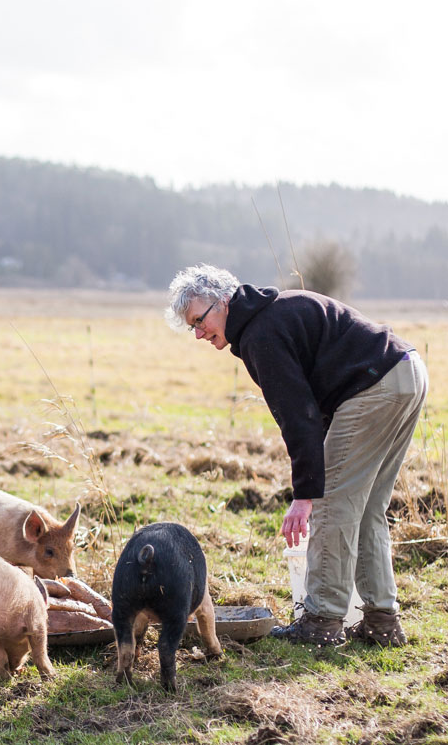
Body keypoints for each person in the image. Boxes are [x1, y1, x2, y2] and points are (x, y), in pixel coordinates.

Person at [165, 264, 427, 647]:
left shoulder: (260, 334)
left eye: (200, 321)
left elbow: (298, 416)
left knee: (333, 505)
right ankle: (381, 621)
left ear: (223, 302)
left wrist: (305, 495)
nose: (199, 333)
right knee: (368, 506)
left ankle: (321, 622)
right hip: (406, 373)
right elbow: (314, 412)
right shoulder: (270, 315)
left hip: (375, 385)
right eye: (192, 327)